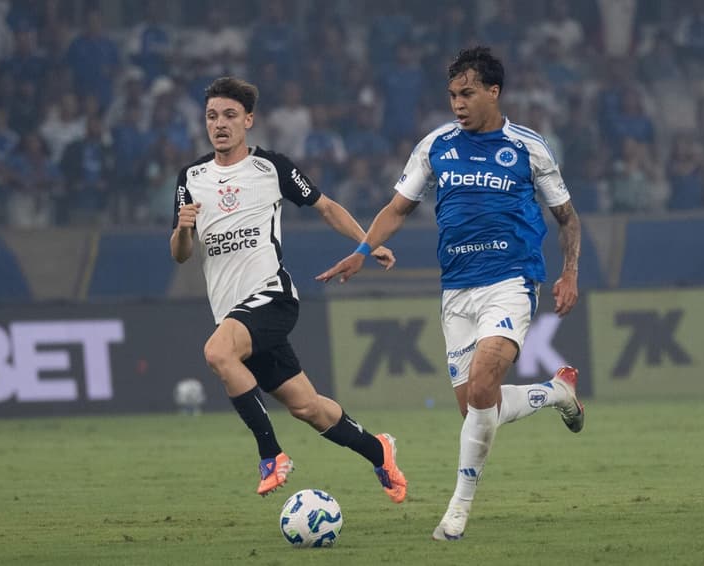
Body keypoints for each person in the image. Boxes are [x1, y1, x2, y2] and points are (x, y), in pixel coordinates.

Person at [317, 47, 584, 540]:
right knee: (477, 408)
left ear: (493, 92)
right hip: (457, 289)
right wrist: (361, 250)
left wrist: (569, 273)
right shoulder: (435, 145)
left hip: (511, 279)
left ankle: (457, 511)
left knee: (483, 383)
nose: (457, 103)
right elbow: (398, 208)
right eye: (452, 95)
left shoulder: (528, 147)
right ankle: (555, 392)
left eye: (467, 93)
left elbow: (567, 218)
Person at [170, 77, 407, 502]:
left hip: (271, 297)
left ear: (248, 120)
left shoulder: (271, 167)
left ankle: (271, 455)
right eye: (211, 116)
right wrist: (184, 229)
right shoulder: (191, 178)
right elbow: (180, 254)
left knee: (217, 352)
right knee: (307, 407)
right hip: (233, 315)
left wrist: (367, 245)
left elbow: (326, 207)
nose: (219, 124)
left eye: (229, 115)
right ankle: (379, 451)